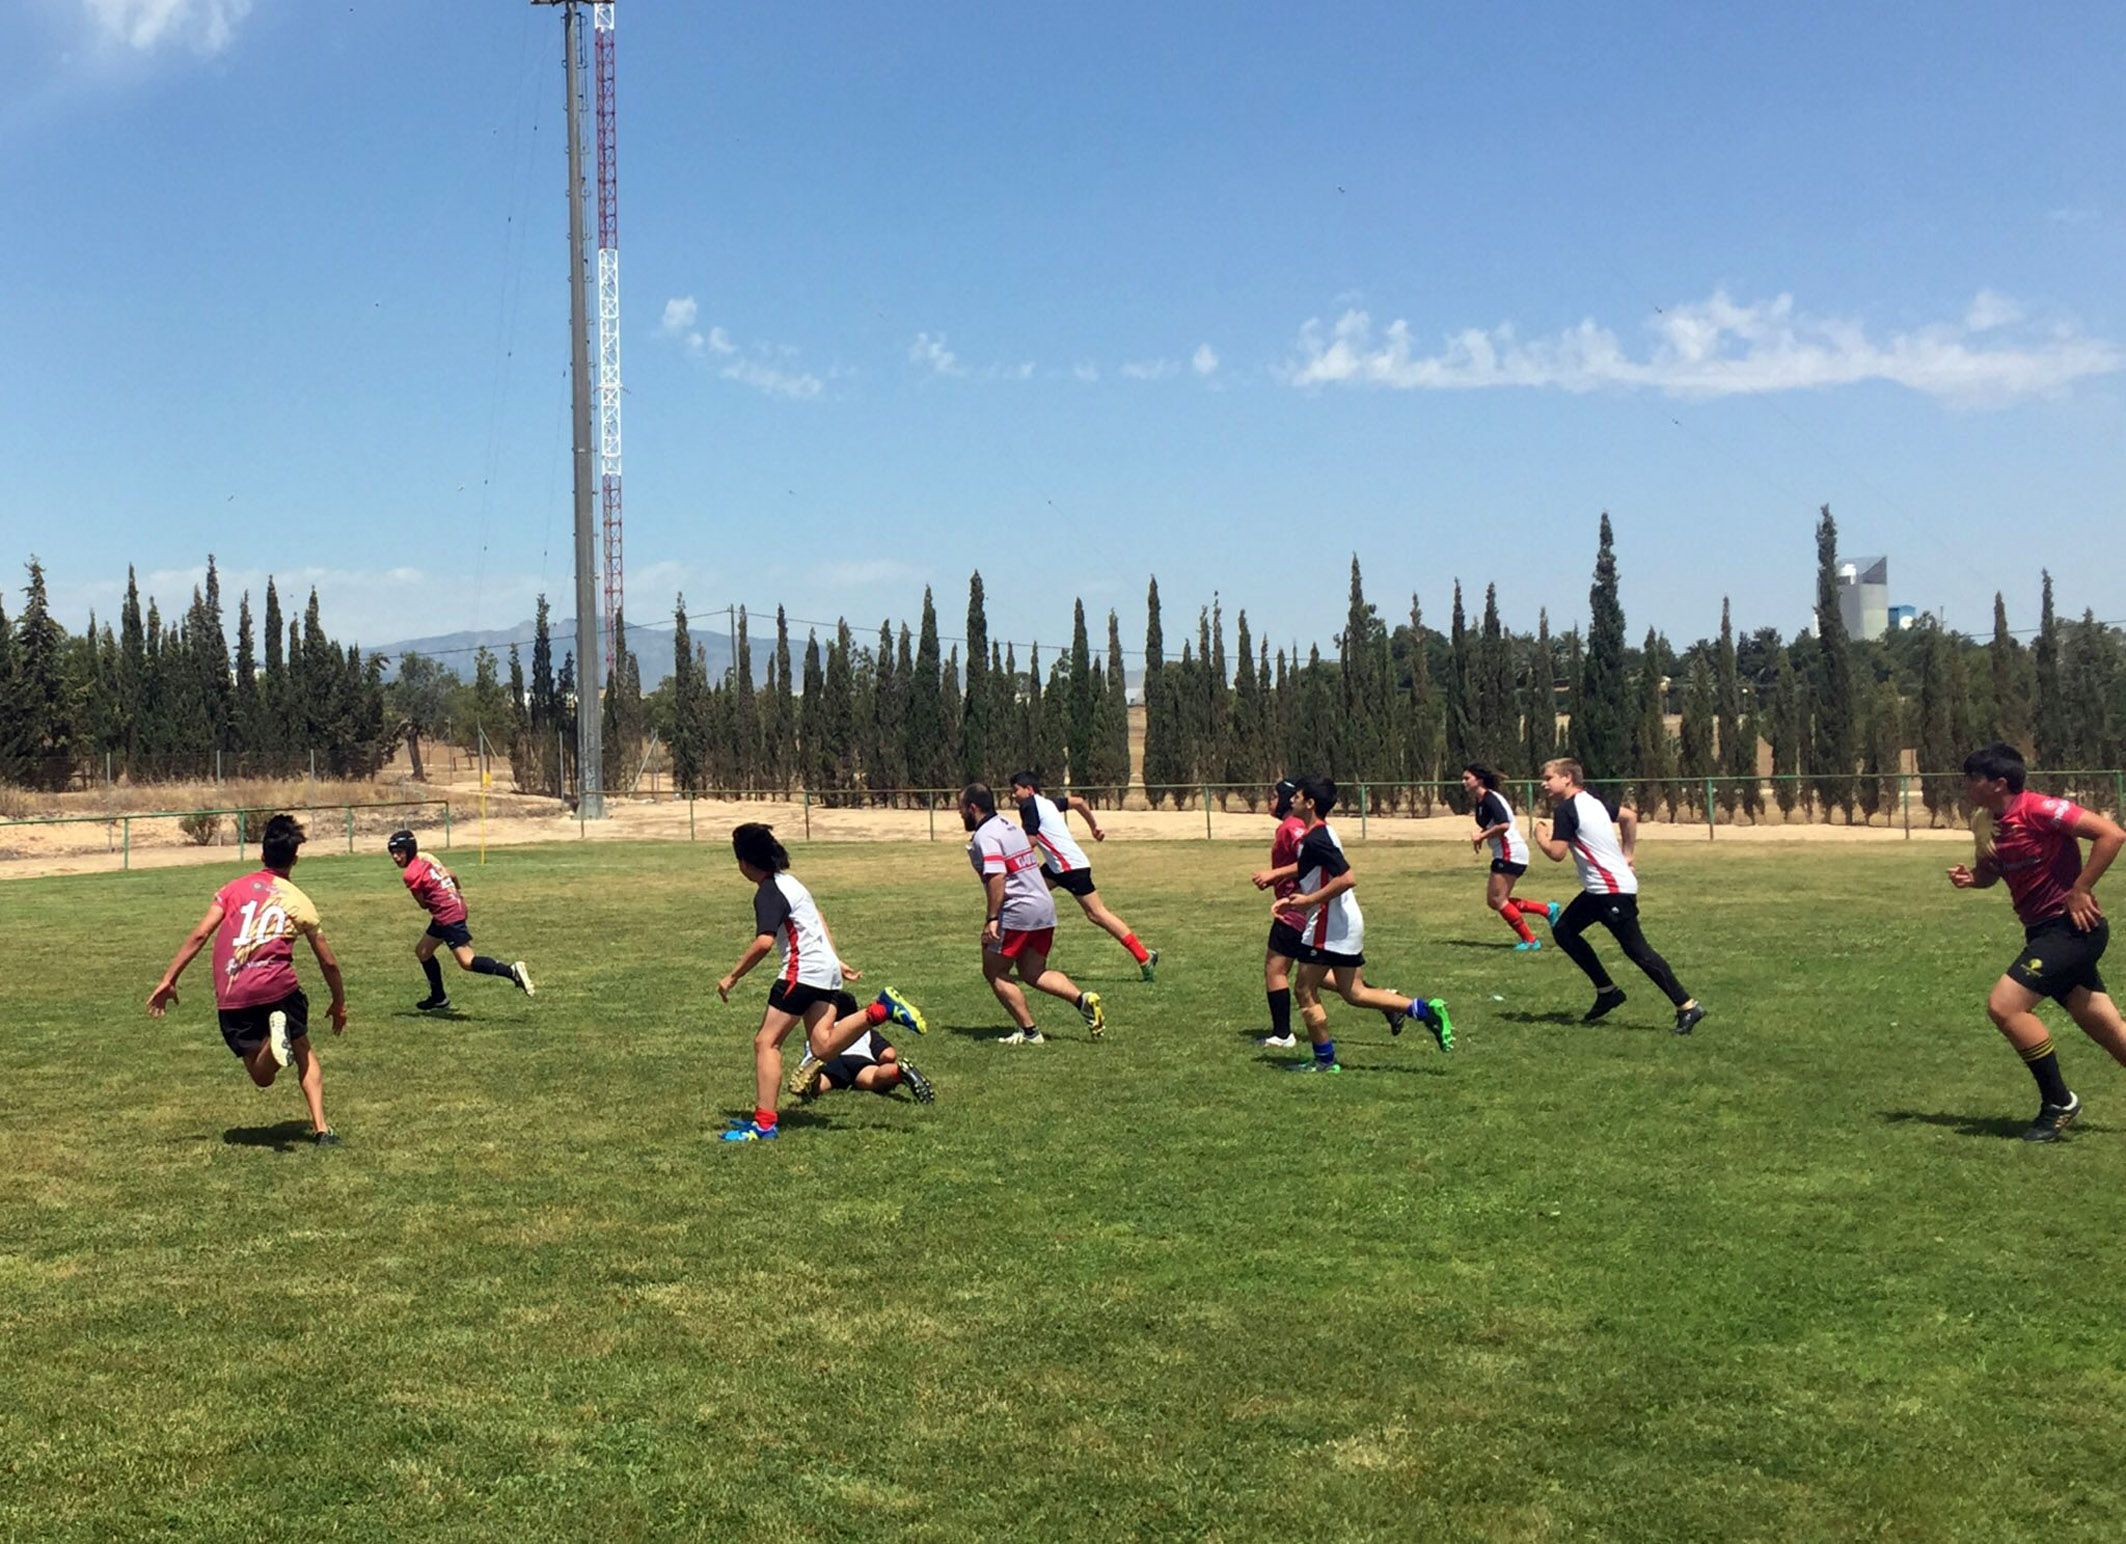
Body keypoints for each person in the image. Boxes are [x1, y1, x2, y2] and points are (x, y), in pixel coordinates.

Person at [1949, 742, 2126, 1141]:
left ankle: (2059, 1101)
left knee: (2005, 1006)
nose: (1967, 785)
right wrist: (1971, 879)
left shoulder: (2040, 809)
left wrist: (2080, 888)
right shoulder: (1986, 820)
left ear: (1999, 783)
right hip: (2043, 933)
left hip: (2072, 929)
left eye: (1973, 779)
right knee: (2108, 1029)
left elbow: (2112, 834)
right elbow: (1991, 872)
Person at [146, 814, 348, 1146]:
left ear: (261, 854)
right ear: (294, 859)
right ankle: (322, 1128)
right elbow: (328, 961)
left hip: (233, 992)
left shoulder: (231, 890)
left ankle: (273, 1041)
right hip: (279, 986)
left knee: (261, 1076)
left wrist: (169, 978)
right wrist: (339, 1002)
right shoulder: (298, 899)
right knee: (302, 1047)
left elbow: (200, 934)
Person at [716, 823, 927, 1142]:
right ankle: (881, 1010)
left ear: (745, 862)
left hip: (801, 973)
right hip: (823, 971)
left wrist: (732, 976)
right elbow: (818, 916)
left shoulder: (769, 892)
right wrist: (834, 960)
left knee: (766, 1042)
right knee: (823, 1046)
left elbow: (763, 942)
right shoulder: (791, 883)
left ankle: (764, 1125)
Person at [1279, 775, 1451, 1071]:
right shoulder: (1325, 833)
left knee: (1304, 990)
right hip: (1345, 923)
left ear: (1310, 803)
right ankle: (1424, 1009)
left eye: (1297, 796)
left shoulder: (1316, 838)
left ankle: (1324, 1061)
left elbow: (1347, 879)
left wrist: (1308, 901)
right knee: (1354, 992)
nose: (1291, 800)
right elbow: (1324, 876)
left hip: (1327, 926)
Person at [1531, 758, 1706, 1034]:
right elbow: (1629, 816)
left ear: (1567, 778)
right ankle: (1607, 991)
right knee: (1564, 930)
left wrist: (1540, 836)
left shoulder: (1566, 810)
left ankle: (1687, 1005)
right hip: (1599, 890)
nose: (1543, 783)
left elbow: (1556, 853)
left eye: (1548, 777)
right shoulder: (1593, 802)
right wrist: (1628, 854)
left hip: (1610, 891)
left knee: (1638, 951)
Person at [962, 782, 1105, 1045]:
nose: (961, 815)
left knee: (994, 971)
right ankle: (1082, 999)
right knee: (1033, 971)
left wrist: (992, 918)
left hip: (1018, 910)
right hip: (1043, 906)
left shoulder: (987, 836)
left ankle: (1030, 1032)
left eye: (962, 809)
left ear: (973, 807)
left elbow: (997, 877)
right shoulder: (1009, 826)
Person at [1008, 771, 1159, 981]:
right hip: (1057, 867)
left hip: (1070, 868)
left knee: (1097, 913)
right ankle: (1018, 955)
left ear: (1029, 790)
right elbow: (1078, 802)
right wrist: (1094, 827)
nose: (1013, 795)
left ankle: (1143, 956)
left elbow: (1030, 841)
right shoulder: (1048, 803)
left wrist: (1006, 854)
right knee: (1022, 894)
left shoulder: (1030, 805)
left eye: (1015, 790)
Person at [386, 829, 534, 1010]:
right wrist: (456, 893)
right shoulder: (427, 857)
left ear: (409, 850)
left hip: (448, 915)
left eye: (399, 852)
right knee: (423, 952)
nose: (395, 857)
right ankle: (439, 997)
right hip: (452, 907)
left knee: (467, 962)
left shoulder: (410, 875)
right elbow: (452, 875)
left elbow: (423, 904)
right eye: (393, 852)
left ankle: (511, 971)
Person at [1462, 763, 1554, 951]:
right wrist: (1483, 834)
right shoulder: (1482, 800)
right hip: (1506, 851)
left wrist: (1482, 836)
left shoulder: (1489, 799)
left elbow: (1504, 825)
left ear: (1478, 780)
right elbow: (1492, 824)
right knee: (1495, 900)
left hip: (1509, 851)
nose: (1463, 782)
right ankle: (1546, 910)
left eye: (1466, 778)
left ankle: (1530, 940)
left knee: (1498, 900)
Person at [791, 990, 936, 1104]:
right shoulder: (862, 1030)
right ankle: (897, 1072)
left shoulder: (817, 1034)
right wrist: (884, 1064)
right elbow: (888, 1054)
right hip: (858, 1061)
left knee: (822, 1085)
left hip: (827, 1060)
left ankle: (813, 1079)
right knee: (874, 1077)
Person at [1250, 777, 1309, 1047]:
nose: (1270, 802)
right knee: (1334, 979)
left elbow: (1310, 861)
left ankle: (1282, 1034)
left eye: (1274, 796)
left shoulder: (1292, 828)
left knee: (1275, 969)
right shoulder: (1293, 826)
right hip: (1302, 906)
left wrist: (1275, 874)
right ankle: (1388, 1000)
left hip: (1294, 908)